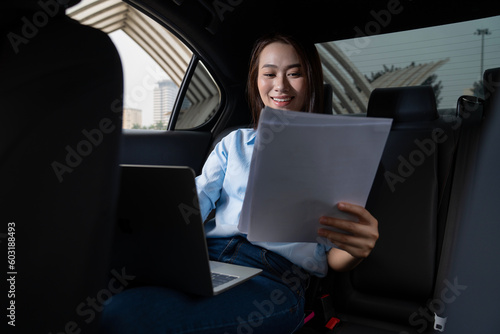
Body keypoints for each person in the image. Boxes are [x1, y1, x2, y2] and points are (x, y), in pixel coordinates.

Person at [100, 33, 379, 334]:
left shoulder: (337, 156)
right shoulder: (233, 143)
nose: (280, 86)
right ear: (256, 82)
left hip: (273, 281)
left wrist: (357, 251)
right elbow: (190, 204)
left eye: (295, 73)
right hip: (205, 263)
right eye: (269, 74)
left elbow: (334, 256)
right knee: (99, 297)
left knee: (124, 317)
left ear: (311, 79)